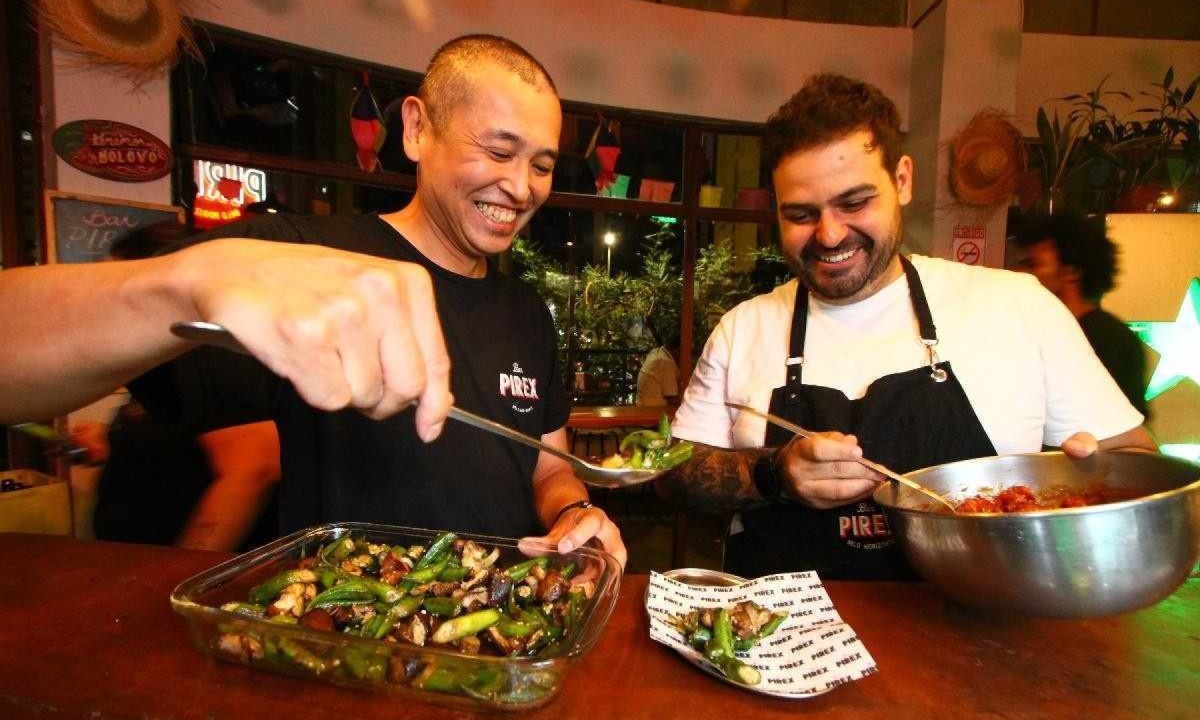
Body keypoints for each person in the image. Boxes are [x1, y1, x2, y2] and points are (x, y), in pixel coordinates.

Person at [133, 35, 625, 566]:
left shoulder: (527, 314)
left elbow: (547, 466)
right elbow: (132, 333)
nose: (522, 187)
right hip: (347, 631)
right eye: (499, 152)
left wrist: (574, 510)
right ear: (417, 130)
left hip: (500, 625)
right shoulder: (314, 259)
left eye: (542, 166)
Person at [657, 74, 1155, 581]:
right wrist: (773, 473)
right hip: (783, 646)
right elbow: (674, 473)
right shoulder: (745, 328)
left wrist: (1087, 488)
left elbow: (1136, 462)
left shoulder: (1018, 306)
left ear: (902, 180)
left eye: (854, 203)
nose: (830, 234)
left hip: (978, 642)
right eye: (802, 214)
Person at [66, 220, 283, 553]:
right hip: (134, 561)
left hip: (174, 574)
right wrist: (116, 441)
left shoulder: (207, 346)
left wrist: (175, 583)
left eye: (119, 285)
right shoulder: (164, 349)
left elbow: (253, 468)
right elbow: (186, 432)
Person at [1008, 211, 1149, 417]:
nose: (1019, 273)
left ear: (1072, 272)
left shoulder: (1110, 340)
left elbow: (1122, 428)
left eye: (1033, 264)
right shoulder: (1038, 331)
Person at [636, 319, 680, 407]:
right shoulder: (666, 362)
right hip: (653, 413)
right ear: (677, 349)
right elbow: (673, 399)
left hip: (642, 407)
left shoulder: (657, 352)